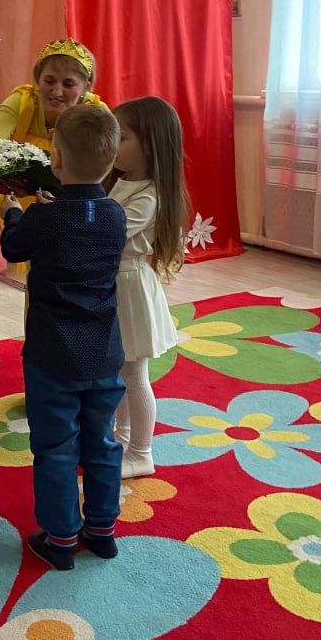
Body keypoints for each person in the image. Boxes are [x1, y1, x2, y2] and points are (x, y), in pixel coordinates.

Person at [0, 103, 126, 571]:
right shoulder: (115, 215)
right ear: (111, 162)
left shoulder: (45, 217)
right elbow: (81, 227)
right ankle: (102, 531)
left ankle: (60, 538)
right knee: (102, 442)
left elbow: (14, 247)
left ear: (55, 159)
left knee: (55, 448)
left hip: (52, 354)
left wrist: (13, 213)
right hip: (104, 353)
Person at [110, 97, 190, 478]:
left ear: (150, 146)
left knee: (134, 375)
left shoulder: (149, 196)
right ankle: (122, 438)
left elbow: (109, 233)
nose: (112, 144)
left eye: (121, 137)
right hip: (117, 285)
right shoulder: (124, 182)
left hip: (130, 289)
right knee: (122, 371)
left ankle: (141, 452)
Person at [0, 37, 106, 157]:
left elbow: (106, 161)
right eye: (49, 81)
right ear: (37, 80)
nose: (57, 92)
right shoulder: (23, 101)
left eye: (68, 84)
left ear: (86, 87)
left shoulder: (96, 114)